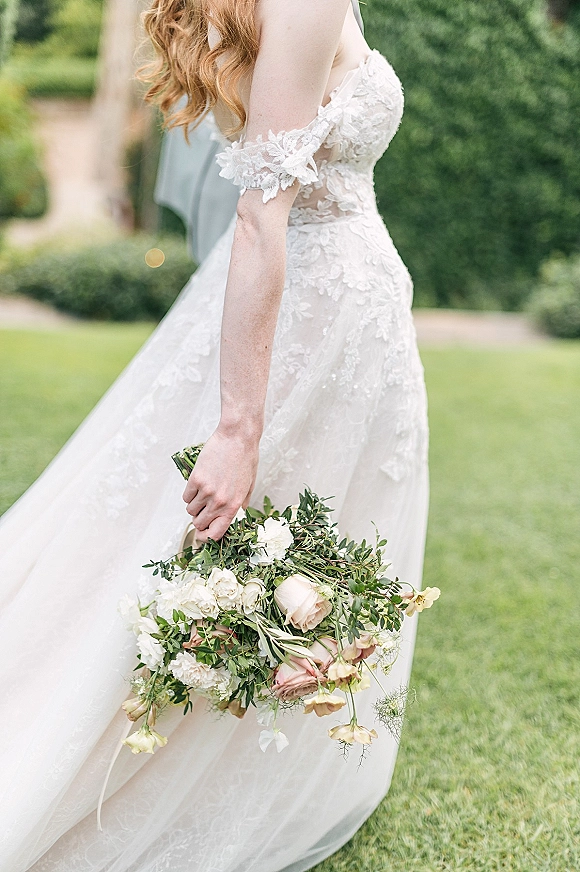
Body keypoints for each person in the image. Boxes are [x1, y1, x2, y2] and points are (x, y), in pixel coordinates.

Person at [0, 1, 429, 870]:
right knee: (216, 542)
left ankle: (246, 753)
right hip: (311, 318)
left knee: (295, 545)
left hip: (349, 317)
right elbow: (260, 217)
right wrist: (237, 427)